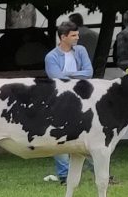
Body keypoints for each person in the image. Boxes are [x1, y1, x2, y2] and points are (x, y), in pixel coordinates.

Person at [40, 19, 93, 185]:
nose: (77, 38)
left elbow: (89, 72)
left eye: (77, 35)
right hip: (60, 98)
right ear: (63, 37)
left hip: (81, 96)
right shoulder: (52, 56)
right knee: (59, 134)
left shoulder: (81, 50)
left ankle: (98, 169)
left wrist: (68, 74)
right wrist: (77, 73)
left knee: (88, 134)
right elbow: (56, 76)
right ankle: (64, 174)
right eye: (74, 35)